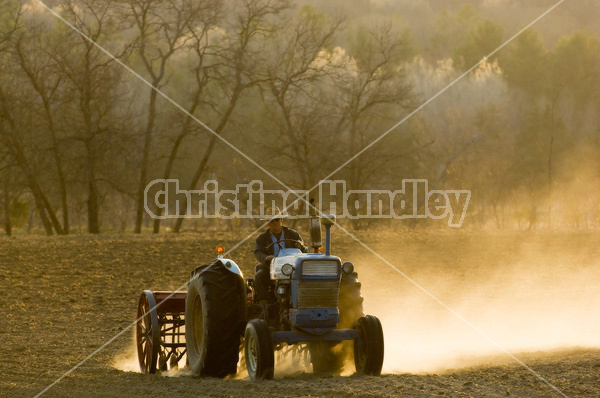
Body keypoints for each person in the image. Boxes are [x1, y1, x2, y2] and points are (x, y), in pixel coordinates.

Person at [254, 206, 306, 302]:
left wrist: (299, 249)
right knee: (259, 276)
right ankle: (265, 303)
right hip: (270, 268)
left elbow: (303, 249)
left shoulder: (293, 234)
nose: (274, 222)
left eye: (276, 219)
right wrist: (266, 258)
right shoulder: (262, 238)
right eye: (271, 220)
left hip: (292, 269)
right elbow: (258, 252)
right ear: (267, 222)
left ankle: (302, 300)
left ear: (281, 219)